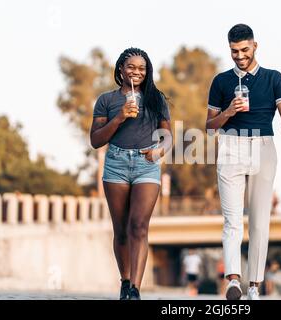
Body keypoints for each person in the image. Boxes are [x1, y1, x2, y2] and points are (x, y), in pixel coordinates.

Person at [205, 24, 281, 300]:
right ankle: (233, 281)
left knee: (260, 220)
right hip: (231, 145)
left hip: (263, 146)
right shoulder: (221, 82)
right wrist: (227, 112)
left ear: (255, 46)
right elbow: (210, 126)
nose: (239, 56)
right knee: (232, 220)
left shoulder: (274, 78)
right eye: (234, 51)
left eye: (244, 50)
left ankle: (254, 286)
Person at [90, 47, 172, 300]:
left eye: (142, 68)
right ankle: (125, 281)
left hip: (146, 163)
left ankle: (135, 289)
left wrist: (160, 151)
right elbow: (95, 140)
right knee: (122, 230)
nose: (137, 72)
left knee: (138, 226)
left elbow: (168, 136)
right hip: (115, 163)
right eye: (131, 67)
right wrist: (120, 117)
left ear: (147, 72)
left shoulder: (156, 99)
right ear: (120, 70)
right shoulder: (107, 100)